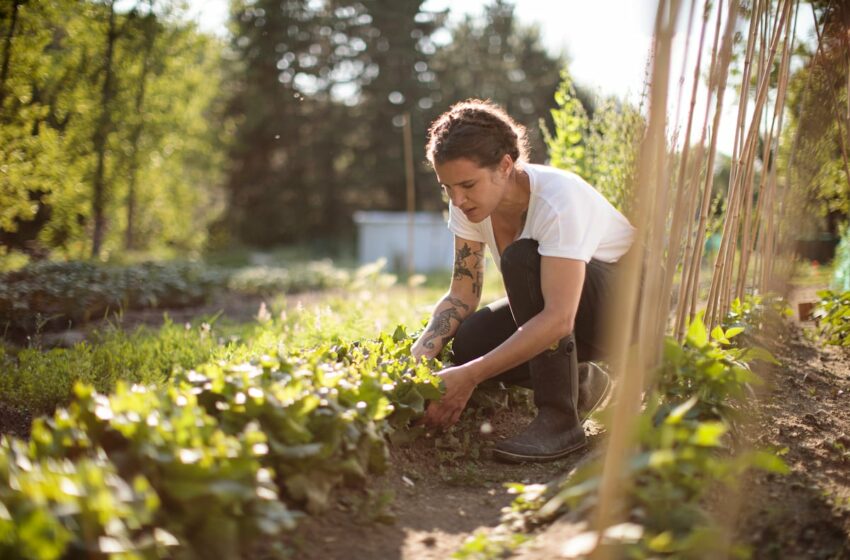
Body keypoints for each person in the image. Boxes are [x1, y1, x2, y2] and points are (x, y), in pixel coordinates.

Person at [410, 99, 635, 463]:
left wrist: (469, 377)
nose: (458, 199)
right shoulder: (468, 205)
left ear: (505, 165)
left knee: (521, 260)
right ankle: (582, 383)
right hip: (572, 311)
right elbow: (461, 295)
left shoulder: (558, 200)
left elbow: (560, 318)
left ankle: (561, 420)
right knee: (471, 341)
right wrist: (418, 357)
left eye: (467, 184)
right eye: (447, 187)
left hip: (630, 306)